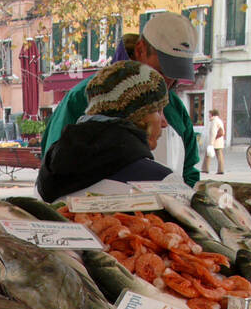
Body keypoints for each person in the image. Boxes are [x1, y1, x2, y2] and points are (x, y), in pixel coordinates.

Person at [42, 14, 200, 187]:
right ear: (140, 50)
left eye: (175, 76)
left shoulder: (175, 106)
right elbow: (54, 168)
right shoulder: (84, 97)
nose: (168, 83)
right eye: (162, 71)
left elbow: (189, 171)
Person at [36, 61, 171, 203]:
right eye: (158, 110)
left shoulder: (47, 173)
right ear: (140, 117)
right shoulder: (162, 184)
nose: (164, 123)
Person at [205, 109, 225, 175]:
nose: (208, 115)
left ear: (212, 114)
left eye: (209, 114)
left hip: (215, 141)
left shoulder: (214, 121)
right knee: (220, 156)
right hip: (219, 141)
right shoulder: (219, 120)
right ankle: (221, 169)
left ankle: (205, 169)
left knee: (208, 154)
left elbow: (213, 132)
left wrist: (211, 143)